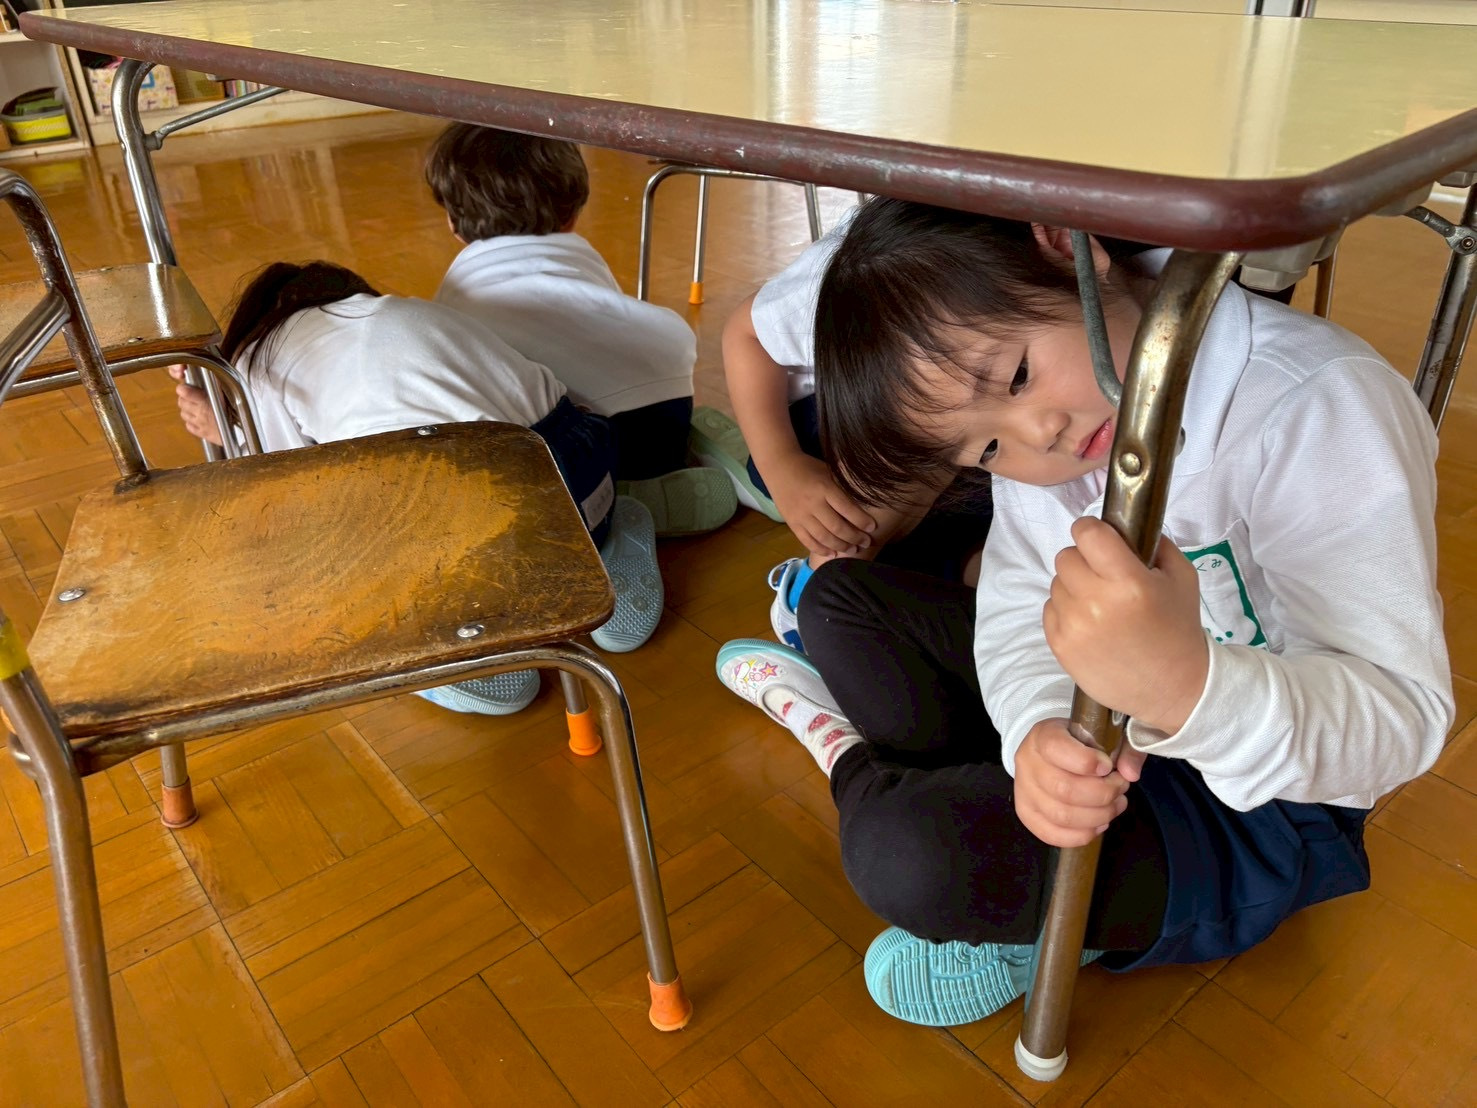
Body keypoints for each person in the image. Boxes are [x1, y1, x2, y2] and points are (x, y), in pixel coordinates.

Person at [714, 198, 1452, 1028]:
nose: (1040, 436)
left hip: (1258, 811)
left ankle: (847, 753)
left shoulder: (1311, 404)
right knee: (840, 602)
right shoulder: (1056, 444)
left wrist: (1187, 689)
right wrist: (1036, 730)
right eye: (987, 449)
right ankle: (1008, 842)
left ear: (1066, 248)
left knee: (903, 853)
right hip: (1105, 729)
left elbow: (1401, 723)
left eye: (1016, 376)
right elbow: (1014, 609)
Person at [172, 260, 666, 716]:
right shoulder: (403, 310)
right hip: (587, 461)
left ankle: (452, 647)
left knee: (330, 556)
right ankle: (605, 540)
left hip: (496, 531)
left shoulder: (261, 358)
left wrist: (223, 432)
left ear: (253, 323)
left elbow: (282, 483)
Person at [703, 204, 995, 652]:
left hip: (972, 489)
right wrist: (781, 463)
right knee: (939, 420)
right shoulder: (894, 258)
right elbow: (747, 334)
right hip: (829, 434)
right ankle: (815, 593)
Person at [424, 122, 736, 538]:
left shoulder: (458, 290)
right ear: (573, 212)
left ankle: (604, 506)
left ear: (452, 222)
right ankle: (660, 474)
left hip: (562, 452)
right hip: (660, 416)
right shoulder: (582, 257)